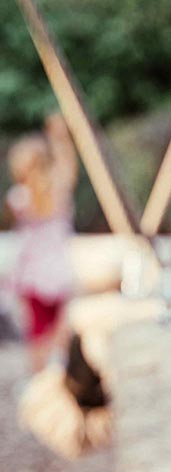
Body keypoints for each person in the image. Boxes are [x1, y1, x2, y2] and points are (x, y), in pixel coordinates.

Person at [5, 113, 78, 374]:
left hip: (32, 276)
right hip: (58, 272)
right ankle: (59, 376)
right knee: (61, 333)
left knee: (37, 334)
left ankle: (38, 382)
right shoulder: (60, 194)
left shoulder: (18, 197)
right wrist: (60, 138)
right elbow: (68, 168)